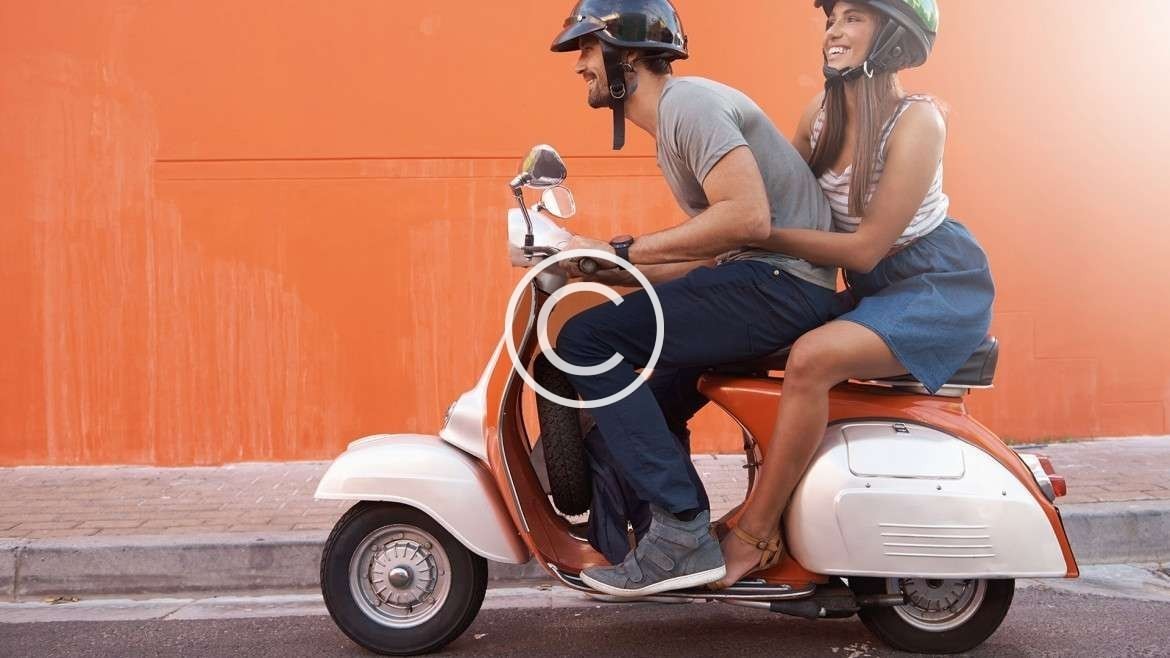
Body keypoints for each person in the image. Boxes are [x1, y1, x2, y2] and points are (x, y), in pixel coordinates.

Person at [547, 0, 840, 597]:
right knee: (630, 414)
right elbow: (712, 254)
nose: (579, 65)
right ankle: (650, 552)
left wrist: (623, 250)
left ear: (628, 54)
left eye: (587, 48)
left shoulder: (689, 105)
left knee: (583, 339)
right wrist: (608, 267)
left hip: (780, 287)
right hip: (760, 283)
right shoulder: (675, 123)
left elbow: (747, 218)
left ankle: (682, 531)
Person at [711, 0, 996, 588]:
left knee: (813, 357)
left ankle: (755, 534)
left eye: (854, 18)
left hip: (936, 286)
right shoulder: (820, 117)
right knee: (735, 336)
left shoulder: (918, 120)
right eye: (832, 18)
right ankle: (759, 510)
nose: (835, 30)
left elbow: (865, 249)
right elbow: (772, 203)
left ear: (893, 35)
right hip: (874, 291)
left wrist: (757, 233)